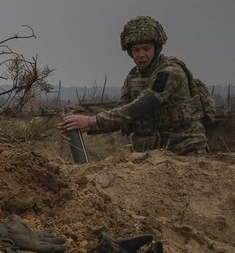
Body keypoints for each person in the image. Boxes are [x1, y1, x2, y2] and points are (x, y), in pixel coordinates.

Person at [58, 16, 209, 155]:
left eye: (146, 48)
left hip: (185, 149)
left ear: (156, 49)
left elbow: (143, 105)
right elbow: (121, 115)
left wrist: (92, 120)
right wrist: (88, 127)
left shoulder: (170, 71)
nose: (141, 54)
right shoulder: (132, 77)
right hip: (153, 154)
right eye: (136, 50)